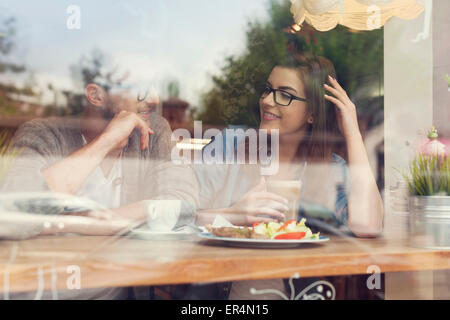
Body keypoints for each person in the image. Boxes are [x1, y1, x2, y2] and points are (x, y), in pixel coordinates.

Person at [193, 55, 384, 299]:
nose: (267, 100)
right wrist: (232, 216)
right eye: (268, 90)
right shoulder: (229, 146)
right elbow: (182, 215)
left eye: (285, 94)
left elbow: (368, 226)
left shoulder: (330, 170)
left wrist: (353, 132)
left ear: (312, 114)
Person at [0, 79, 199, 299]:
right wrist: (106, 141)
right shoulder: (43, 134)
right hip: (48, 290)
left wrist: (64, 222)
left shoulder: (153, 129)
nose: (154, 99)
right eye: (142, 90)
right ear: (96, 95)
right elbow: (13, 217)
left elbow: (183, 204)